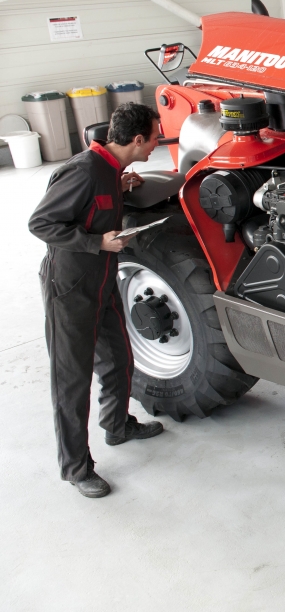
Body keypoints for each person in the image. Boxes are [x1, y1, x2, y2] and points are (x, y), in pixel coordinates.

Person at [29, 102, 165, 498]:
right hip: (70, 288)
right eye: (155, 138)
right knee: (71, 380)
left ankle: (117, 426)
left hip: (102, 282)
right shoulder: (84, 171)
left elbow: (95, 204)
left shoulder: (110, 171)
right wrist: (95, 242)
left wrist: (122, 185)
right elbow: (41, 222)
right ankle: (75, 468)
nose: (158, 143)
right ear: (137, 139)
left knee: (119, 357)